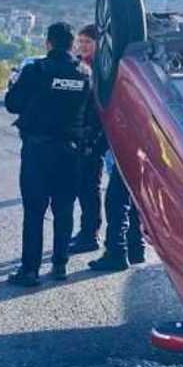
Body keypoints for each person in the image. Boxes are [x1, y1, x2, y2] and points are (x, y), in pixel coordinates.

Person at [4, 22, 92, 287]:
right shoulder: (84, 73)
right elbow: (90, 113)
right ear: (72, 44)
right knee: (64, 209)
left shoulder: (36, 69)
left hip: (38, 150)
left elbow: (12, 103)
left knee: (34, 211)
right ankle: (60, 265)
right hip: (70, 151)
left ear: (48, 43)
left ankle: (30, 270)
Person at [68, 24, 105, 254]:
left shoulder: (101, 69)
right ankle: (85, 231)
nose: (82, 46)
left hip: (95, 137)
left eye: (87, 42)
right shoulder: (80, 67)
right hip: (80, 137)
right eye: (80, 42)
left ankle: (91, 234)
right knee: (82, 188)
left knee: (91, 188)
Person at [88, 157, 146, 272]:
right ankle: (135, 248)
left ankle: (117, 251)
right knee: (131, 195)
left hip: (126, 149)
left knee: (116, 200)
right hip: (139, 152)